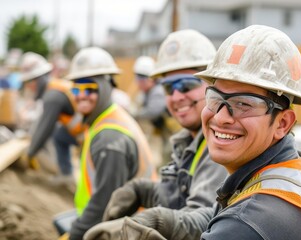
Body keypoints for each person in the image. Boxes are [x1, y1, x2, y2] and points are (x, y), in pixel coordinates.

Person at [191, 25, 301, 239]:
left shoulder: (250, 221)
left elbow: (244, 225)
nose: (221, 117)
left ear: (282, 124)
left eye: (244, 104)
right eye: (215, 99)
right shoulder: (296, 172)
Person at [84, 29, 228, 240]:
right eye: (169, 88)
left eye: (186, 85)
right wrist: (143, 191)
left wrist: (158, 220)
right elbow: (176, 198)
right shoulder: (189, 141)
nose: (177, 96)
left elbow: (205, 223)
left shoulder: (220, 143)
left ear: (213, 85)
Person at [56, 46, 157, 240]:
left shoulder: (109, 138)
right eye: (76, 88)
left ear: (106, 87)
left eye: (90, 88)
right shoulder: (105, 118)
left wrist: (74, 235)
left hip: (128, 230)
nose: (81, 95)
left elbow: (104, 204)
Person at [18, 52, 82, 181]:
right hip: (81, 130)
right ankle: (66, 174)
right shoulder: (54, 88)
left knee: (54, 133)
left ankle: (69, 178)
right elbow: (42, 120)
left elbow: (45, 127)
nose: (29, 86)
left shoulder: (53, 96)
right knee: (59, 134)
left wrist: (30, 153)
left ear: (39, 79)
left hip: (87, 133)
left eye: (30, 81)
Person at [132, 55, 172, 166]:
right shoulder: (145, 93)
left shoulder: (157, 91)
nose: (139, 83)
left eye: (142, 80)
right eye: (138, 79)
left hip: (168, 135)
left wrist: (134, 115)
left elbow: (152, 112)